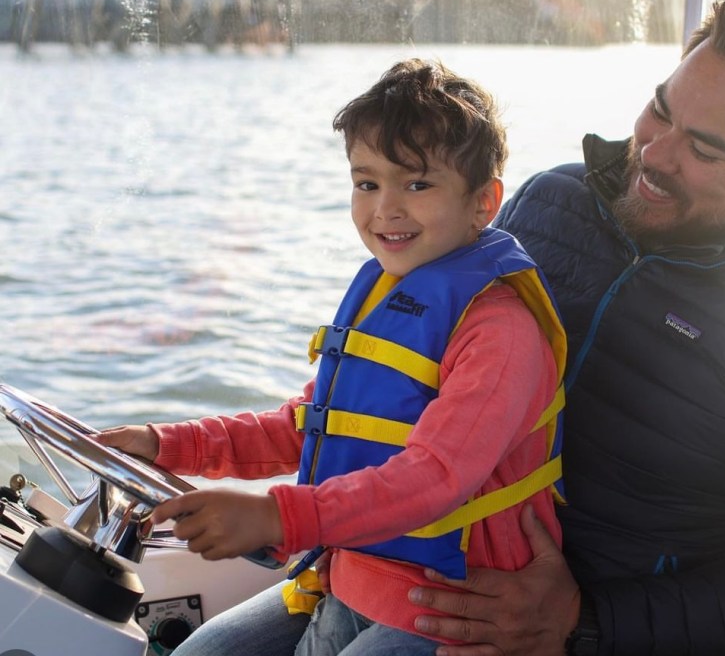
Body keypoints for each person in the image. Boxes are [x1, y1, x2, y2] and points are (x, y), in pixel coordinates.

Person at [99, 58, 568, 654]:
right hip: (346, 577)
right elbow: (309, 424)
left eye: (417, 184)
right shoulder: (388, 291)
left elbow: (436, 478)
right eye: (367, 183)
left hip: (450, 614)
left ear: (484, 202)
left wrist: (278, 518)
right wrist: (165, 443)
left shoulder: (502, 333)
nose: (385, 210)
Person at [405, 0, 725, 656]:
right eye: (662, 111)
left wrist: (583, 620)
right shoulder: (548, 202)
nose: (656, 153)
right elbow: (429, 366)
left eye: (705, 149)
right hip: (422, 551)